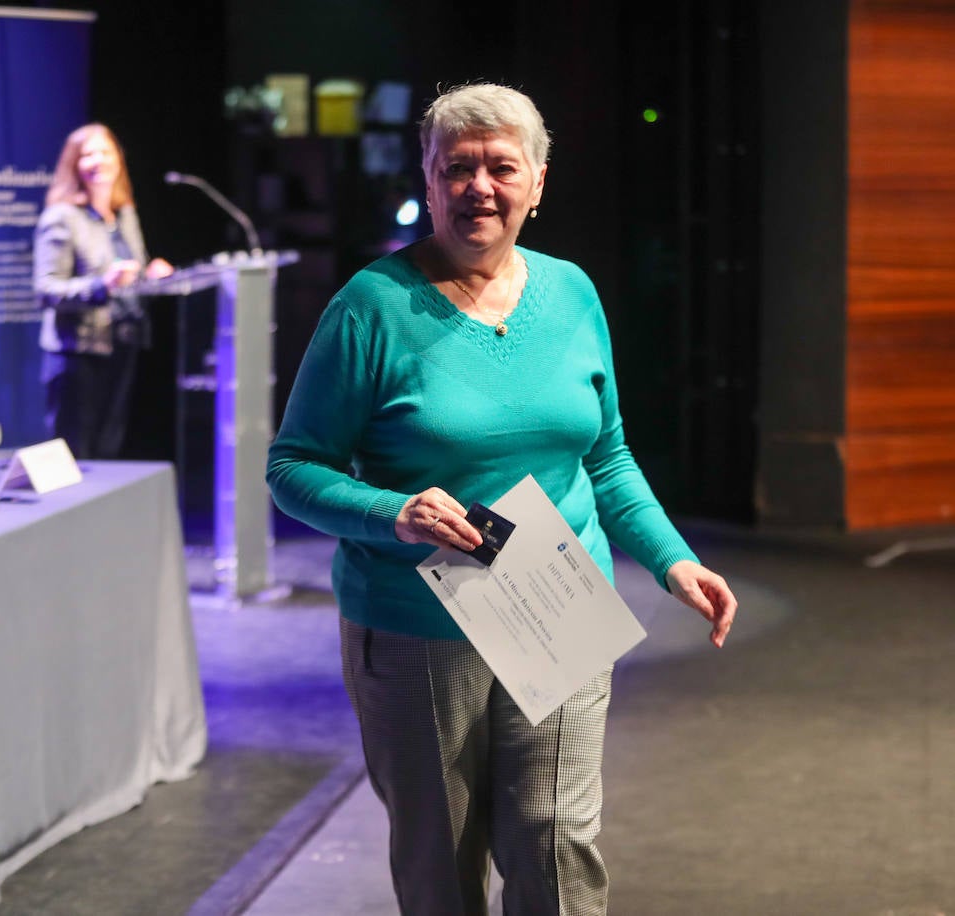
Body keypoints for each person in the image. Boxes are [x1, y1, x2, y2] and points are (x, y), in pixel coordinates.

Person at [266, 84, 737, 915]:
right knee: (442, 866)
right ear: (429, 177)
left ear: (538, 183)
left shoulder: (572, 293)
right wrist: (393, 511)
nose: (479, 187)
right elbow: (295, 467)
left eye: (500, 168)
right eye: (458, 169)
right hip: (417, 629)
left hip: (558, 609)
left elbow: (609, 455)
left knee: (559, 848)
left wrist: (675, 561)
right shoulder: (370, 308)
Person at [33, 122, 172, 459]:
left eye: (105, 152)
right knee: (76, 456)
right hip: (77, 354)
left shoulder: (124, 215)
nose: (98, 160)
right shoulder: (62, 218)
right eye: (88, 154)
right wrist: (102, 285)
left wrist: (153, 276)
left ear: (118, 160)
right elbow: (46, 290)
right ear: (74, 165)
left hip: (123, 345)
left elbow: (133, 277)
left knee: (110, 452)